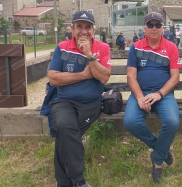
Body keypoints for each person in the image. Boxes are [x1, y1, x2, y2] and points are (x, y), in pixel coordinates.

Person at [47, 11, 111, 187]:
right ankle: (78, 181)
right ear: (72, 29)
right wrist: (83, 75)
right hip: (64, 101)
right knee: (65, 127)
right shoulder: (62, 47)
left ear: (94, 30)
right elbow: (53, 78)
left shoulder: (103, 48)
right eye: (79, 27)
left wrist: (90, 54)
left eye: (88, 27)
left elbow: (104, 77)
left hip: (90, 104)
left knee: (65, 135)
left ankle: (64, 183)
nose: (84, 31)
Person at [123, 12, 181, 183]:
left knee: (172, 122)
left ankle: (157, 162)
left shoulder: (171, 47)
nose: (154, 28)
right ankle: (160, 149)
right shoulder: (136, 47)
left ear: (163, 27)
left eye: (158, 25)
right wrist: (140, 97)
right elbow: (131, 77)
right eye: (151, 25)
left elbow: (175, 77)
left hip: (163, 94)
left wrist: (159, 94)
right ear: (144, 28)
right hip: (141, 92)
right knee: (130, 122)